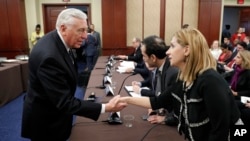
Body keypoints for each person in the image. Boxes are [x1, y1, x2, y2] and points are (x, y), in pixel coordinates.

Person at [21, 8, 127, 141]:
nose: (85, 36)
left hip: (55, 112)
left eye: (86, 30)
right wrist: (106, 107)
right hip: (46, 123)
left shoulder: (59, 41)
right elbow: (65, 102)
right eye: (80, 30)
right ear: (63, 28)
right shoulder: (49, 57)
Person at [119, 28, 240, 141]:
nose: (167, 51)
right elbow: (157, 101)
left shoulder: (210, 81)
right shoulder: (183, 78)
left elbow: (220, 132)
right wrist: (126, 99)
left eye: (172, 46)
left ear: (186, 50)